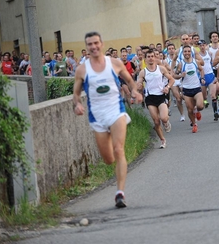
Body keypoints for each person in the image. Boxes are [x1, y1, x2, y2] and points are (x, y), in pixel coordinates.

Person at [73, 31, 142, 208]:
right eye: (90, 44)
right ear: (87, 47)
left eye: (96, 43)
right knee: (108, 159)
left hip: (116, 111)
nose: (94, 46)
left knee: (119, 150)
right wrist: (77, 105)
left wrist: (134, 91)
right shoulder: (82, 69)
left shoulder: (115, 63)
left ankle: (120, 193)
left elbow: (129, 80)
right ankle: (116, 177)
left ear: (101, 44)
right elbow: (75, 93)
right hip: (97, 116)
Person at [136, 49, 174, 148]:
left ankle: (166, 122)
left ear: (155, 57)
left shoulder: (161, 69)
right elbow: (138, 83)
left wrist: (167, 87)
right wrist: (139, 86)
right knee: (156, 121)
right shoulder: (143, 72)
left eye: (152, 56)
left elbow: (171, 79)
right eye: (148, 57)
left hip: (161, 96)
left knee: (164, 118)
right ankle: (162, 140)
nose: (150, 58)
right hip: (150, 98)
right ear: (145, 59)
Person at [174, 45, 205, 133]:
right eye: (185, 51)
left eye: (188, 51)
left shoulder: (196, 61)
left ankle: (197, 111)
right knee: (189, 109)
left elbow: (201, 69)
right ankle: (194, 124)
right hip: (186, 89)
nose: (187, 53)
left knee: (200, 106)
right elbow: (175, 76)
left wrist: (202, 78)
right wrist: (181, 75)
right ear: (182, 53)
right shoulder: (180, 64)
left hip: (196, 87)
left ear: (191, 52)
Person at [198, 39, 219, 121]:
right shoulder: (197, 56)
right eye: (200, 45)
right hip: (202, 76)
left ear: (205, 45)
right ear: (198, 47)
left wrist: (214, 69)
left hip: (210, 75)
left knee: (213, 95)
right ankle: (205, 101)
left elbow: (211, 63)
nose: (202, 47)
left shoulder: (209, 53)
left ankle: (215, 112)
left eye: (203, 45)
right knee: (204, 96)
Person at [166, 43, 186, 121]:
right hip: (173, 80)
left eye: (172, 48)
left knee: (185, 95)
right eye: (169, 49)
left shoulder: (179, 59)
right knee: (178, 98)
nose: (171, 50)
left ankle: (191, 107)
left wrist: (178, 71)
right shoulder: (166, 60)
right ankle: (182, 115)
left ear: (175, 49)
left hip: (181, 79)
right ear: (167, 51)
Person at [208, 31, 219, 115]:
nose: (215, 37)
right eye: (213, 36)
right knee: (216, 89)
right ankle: (215, 106)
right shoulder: (208, 48)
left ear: (218, 38)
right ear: (210, 38)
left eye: (216, 36)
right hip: (212, 70)